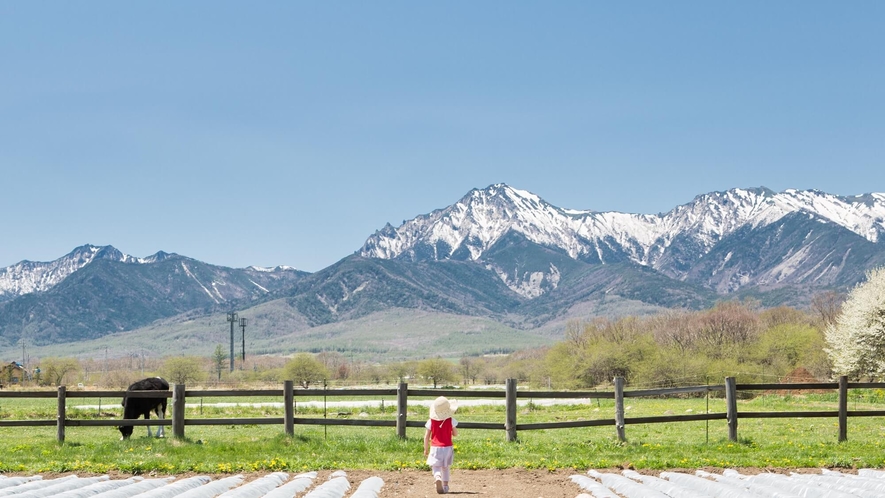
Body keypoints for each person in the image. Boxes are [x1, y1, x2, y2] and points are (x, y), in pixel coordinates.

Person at [424, 396, 459, 494]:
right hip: (447, 447)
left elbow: (426, 437)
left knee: (435, 466)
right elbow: (455, 434)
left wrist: (425, 449)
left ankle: (437, 476)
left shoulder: (431, 421)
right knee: (446, 467)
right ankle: (446, 486)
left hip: (435, 447)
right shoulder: (451, 420)